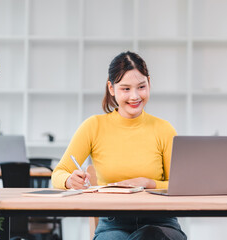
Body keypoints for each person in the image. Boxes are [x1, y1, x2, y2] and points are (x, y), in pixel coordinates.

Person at [52, 51, 187, 240]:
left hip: (160, 223)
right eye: (125, 89)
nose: (135, 96)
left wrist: (149, 184)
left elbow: (181, 186)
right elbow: (58, 173)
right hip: (113, 224)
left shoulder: (164, 129)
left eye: (141, 87)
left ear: (149, 83)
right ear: (111, 88)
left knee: (150, 236)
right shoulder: (94, 126)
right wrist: (69, 180)